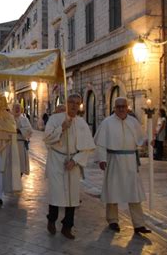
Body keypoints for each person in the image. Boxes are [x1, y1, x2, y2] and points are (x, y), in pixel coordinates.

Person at [94, 97, 152, 235]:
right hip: (113, 160)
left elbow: (141, 138)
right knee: (112, 191)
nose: (121, 109)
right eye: (118, 106)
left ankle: (139, 224)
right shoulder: (107, 123)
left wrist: (148, 141)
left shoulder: (133, 122)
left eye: (123, 106)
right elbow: (100, 144)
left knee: (134, 193)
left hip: (130, 161)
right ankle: (112, 220)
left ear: (127, 107)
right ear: (114, 108)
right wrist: (102, 159)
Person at [44, 94, 95, 239]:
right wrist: (61, 128)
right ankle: (51, 220)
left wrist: (75, 160)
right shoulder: (55, 119)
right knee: (56, 192)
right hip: (56, 158)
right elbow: (47, 139)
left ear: (80, 105)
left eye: (77, 103)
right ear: (66, 103)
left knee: (72, 195)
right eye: (71, 102)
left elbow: (87, 148)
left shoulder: (82, 123)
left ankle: (67, 226)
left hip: (73, 161)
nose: (74, 105)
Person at [12, 103, 32, 176]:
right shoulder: (9, 119)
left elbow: (29, 130)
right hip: (11, 144)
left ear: (21, 109)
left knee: (20, 164)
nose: (17, 110)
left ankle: (19, 176)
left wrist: (20, 130)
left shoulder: (24, 119)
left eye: (18, 108)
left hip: (20, 144)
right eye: (15, 108)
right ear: (12, 109)